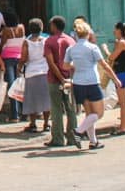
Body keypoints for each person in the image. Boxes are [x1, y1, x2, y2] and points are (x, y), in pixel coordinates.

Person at [65, 20, 121, 150]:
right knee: (99, 113)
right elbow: (104, 65)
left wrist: (77, 66)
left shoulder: (71, 49)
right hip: (92, 81)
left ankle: (93, 141)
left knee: (89, 113)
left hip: (78, 82)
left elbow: (65, 65)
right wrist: (115, 79)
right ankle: (78, 131)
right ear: (88, 34)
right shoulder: (92, 48)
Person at [44, 15, 77, 148]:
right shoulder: (71, 41)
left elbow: (51, 63)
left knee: (56, 109)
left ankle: (58, 138)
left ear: (54, 26)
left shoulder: (50, 41)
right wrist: (69, 78)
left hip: (55, 79)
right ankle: (73, 137)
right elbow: (74, 62)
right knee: (71, 109)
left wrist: (61, 79)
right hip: (70, 79)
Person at [19, 18, 50, 133]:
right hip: (45, 71)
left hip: (31, 72)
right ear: (41, 28)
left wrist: (19, 67)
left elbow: (24, 58)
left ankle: (33, 123)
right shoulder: (46, 41)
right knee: (46, 98)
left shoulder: (27, 42)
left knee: (32, 99)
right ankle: (46, 123)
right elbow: (48, 55)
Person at [0, 11, 25, 122]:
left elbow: (2, 44)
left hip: (8, 58)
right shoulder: (21, 28)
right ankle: (24, 113)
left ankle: (14, 115)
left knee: (12, 85)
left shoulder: (6, 30)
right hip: (19, 57)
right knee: (20, 85)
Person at [108, 22, 125, 135]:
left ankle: (123, 127)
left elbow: (112, 57)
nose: (114, 31)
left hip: (121, 74)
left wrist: (105, 49)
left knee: (123, 103)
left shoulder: (122, 42)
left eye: (115, 29)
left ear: (120, 30)